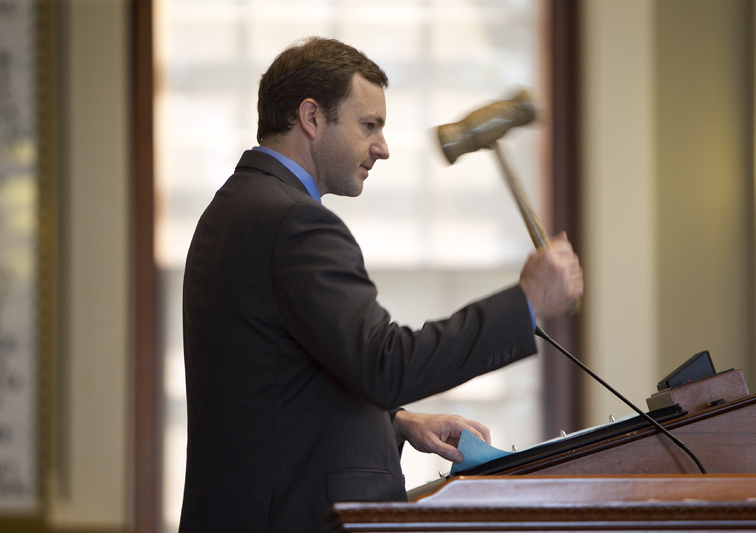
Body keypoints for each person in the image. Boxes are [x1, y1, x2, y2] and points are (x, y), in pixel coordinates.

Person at [179, 37, 583, 532]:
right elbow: (385, 363)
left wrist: (395, 421)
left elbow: (276, 383)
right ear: (311, 118)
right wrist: (527, 301)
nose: (383, 148)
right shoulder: (294, 222)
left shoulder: (235, 207)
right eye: (369, 125)